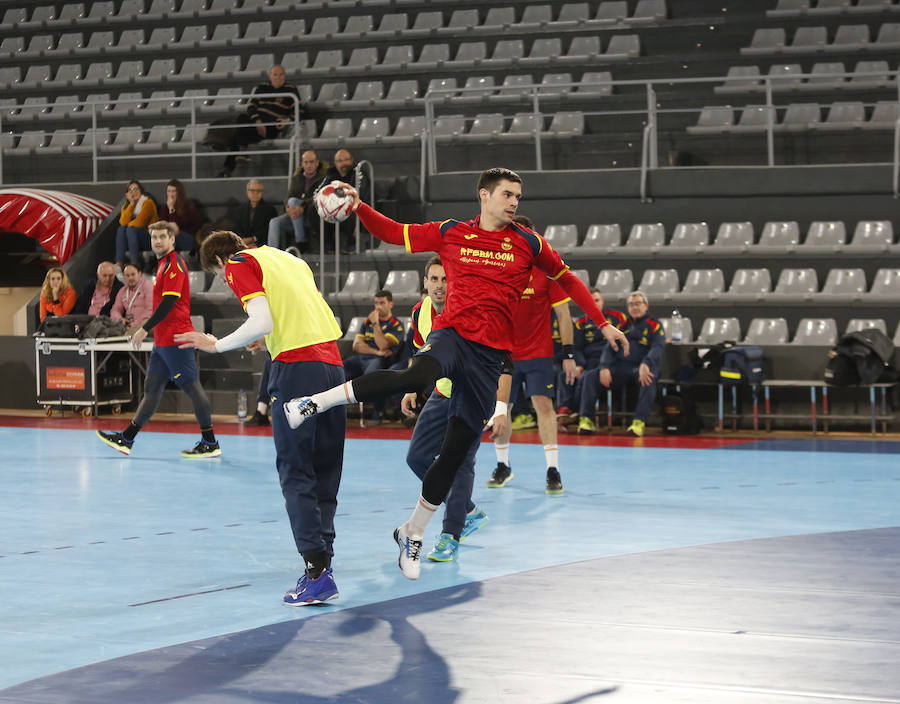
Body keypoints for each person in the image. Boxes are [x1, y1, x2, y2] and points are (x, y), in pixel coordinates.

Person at [283, 167, 629, 580]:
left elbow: (568, 279)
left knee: (455, 452)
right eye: (506, 194)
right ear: (484, 195)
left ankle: (412, 531)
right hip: (453, 337)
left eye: (518, 195)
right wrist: (360, 207)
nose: (514, 202)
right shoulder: (451, 232)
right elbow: (395, 233)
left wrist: (603, 322)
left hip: (490, 357)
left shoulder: (529, 242)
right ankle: (314, 403)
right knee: (414, 376)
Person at [174, 230, 345, 606]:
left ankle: (316, 573)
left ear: (220, 261)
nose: (226, 279)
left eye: (219, 275)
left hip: (298, 370)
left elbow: (262, 319)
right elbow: (307, 316)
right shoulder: (289, 260)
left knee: (296, 469)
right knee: (326, 469)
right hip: (333, 366)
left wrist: (216, 344)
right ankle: (324, 562)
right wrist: (268, 337)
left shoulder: (238, 262)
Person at [96, 221, 220, 459]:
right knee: (151, 390)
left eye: (163, 236)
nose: (158, 241)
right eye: (154, 237)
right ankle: (127, 438)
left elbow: (168, 303)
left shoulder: (174, 264)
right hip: (163, 342)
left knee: (192, 388)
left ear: (172, 240)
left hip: (177, 338)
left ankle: (210, 441)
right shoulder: (162, 264)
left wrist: (144, 328)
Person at [401, 257, 492, 562]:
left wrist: (501, 406)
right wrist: (412, 387)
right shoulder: (419, 312)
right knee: (417, 456)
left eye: (445, 279)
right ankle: (466, 508)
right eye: (434, 279)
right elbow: (420, 351)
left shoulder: (468, 310)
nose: (440, 285)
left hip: (472, 395)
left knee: (462, 462)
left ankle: (449, 536)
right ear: (425, 282)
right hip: (441, 392)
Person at [487, 255, 577, 495]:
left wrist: (568, 354)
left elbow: (564, 314)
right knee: (501, 408)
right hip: (507, 354)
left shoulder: (547, 275)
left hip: (539, 354)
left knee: (543, 404)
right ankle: (502, 465)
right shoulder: (501, 273)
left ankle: (552, 469)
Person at [576, 290, 665, 437]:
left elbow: (658, 348)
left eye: (638, 304)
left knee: (648, 378)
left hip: (642, 368)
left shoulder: (654, 325)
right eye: (631, 304)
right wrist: (604, 367)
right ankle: (586, 420)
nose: (634, 307)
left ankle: (638, 423)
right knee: (590, 376)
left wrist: (646, 363)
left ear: (646, 306)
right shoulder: (622, 325)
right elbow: (609, 348)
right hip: (621, 368)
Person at [216, 65, 303, 178]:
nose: (278, 77)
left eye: (281, 74)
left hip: (273, 124)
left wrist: (288, 120)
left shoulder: (291, 90)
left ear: (285, 76)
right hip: (257, 122)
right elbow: (251, 107)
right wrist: (258, 121)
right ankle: (235, 159)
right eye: (275, 74)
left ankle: (230, 165)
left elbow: (300, 110)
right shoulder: (262, 87)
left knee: (237, 135)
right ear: (270, 76)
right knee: (241, 118)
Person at [556, 289, 626, 423]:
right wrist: (580, 365)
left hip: (610, 362)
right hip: (589, 361)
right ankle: (564, 409)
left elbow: (623, 342)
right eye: (591, 301)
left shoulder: (617, 316)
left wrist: (607, 364)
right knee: (565, 374)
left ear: (603, 301)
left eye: (597, 300)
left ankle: (575, 411)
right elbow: (577, 347)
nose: (594, 304)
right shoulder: (581, 322)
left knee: (587, 377)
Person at [267, 150, 328, 253]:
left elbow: (319, 197)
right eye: (306, 162)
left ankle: (300, 241)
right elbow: (289, 196)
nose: (309, 165)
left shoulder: (323, 178)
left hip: (312, 215)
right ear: (302, 163)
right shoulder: (297, 178)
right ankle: (272, 253)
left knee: (293, 201)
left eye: (311, 162)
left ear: (317, 163)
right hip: (296, 215)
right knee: (274, 222)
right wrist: (287, 207)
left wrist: (302, 207)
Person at [342, 290, 405, 380]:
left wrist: (375, 324)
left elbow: (382, 345)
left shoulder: (396, 325)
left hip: (380, 360)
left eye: (382, 303)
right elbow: (356, 346)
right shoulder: (367, 322)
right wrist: (376, 352)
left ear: (391, 304)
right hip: (364, 357)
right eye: (376, 303)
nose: (378, 307)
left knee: (369, 376)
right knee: (341, 369)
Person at [322, 149, 369, 254]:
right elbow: (321, 192)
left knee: (348, 208)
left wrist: (339, 199)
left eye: (346, 160)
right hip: (335, 209)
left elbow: (359, 192)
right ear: (335, 163)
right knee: (316, 209)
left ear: (352, 160)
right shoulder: (331, 174)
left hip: (355, 207)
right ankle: (328, 244)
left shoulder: (358, 172)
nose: (343, 163)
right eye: (339, 161)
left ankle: (351, 242)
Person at [115, 180, 159, 270]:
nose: (133, 192)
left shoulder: (148, 203)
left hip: (150, 238)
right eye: (130, 190)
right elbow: (123, 222)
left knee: (130, 229)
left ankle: (134, 263)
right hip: (133, 239)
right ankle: (119, 263)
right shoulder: (126, 206)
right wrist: (131, 204)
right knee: (121, 229)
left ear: (141, 191)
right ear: (127, 194)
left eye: (136, 189)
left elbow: (140, 222)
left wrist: (128, 225)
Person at [158, 178, 202, 253]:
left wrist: (171, 209)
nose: (171, 194)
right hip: (170, 237)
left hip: (188, 237)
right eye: (169, 191)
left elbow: (176, 227)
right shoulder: (165, 207)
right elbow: (162, 225)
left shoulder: (188, 206)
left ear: (179, 192)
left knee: (169, 235)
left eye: (173, 191)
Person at [230, 179, 278, 246]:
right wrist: (242, 240)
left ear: (262, 192)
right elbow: (237, 228)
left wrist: (253, 239)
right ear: (247, 192)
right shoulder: (240, 209)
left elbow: (267, 230)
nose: (255, 193)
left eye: (258, 191)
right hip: (242, 243)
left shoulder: (270, 210)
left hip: (262, 244)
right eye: (252, 190)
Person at [109, 262, 154, 328]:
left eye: (133, 274)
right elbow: (115, 310)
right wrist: (119, 319)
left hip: (146, 324)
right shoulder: (122, 291)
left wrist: (135, 324)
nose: (130, 278)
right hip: (129, 325)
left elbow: (150, 310)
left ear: (139, 274)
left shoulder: (148, 287)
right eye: (127, 275)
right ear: (124, 277)